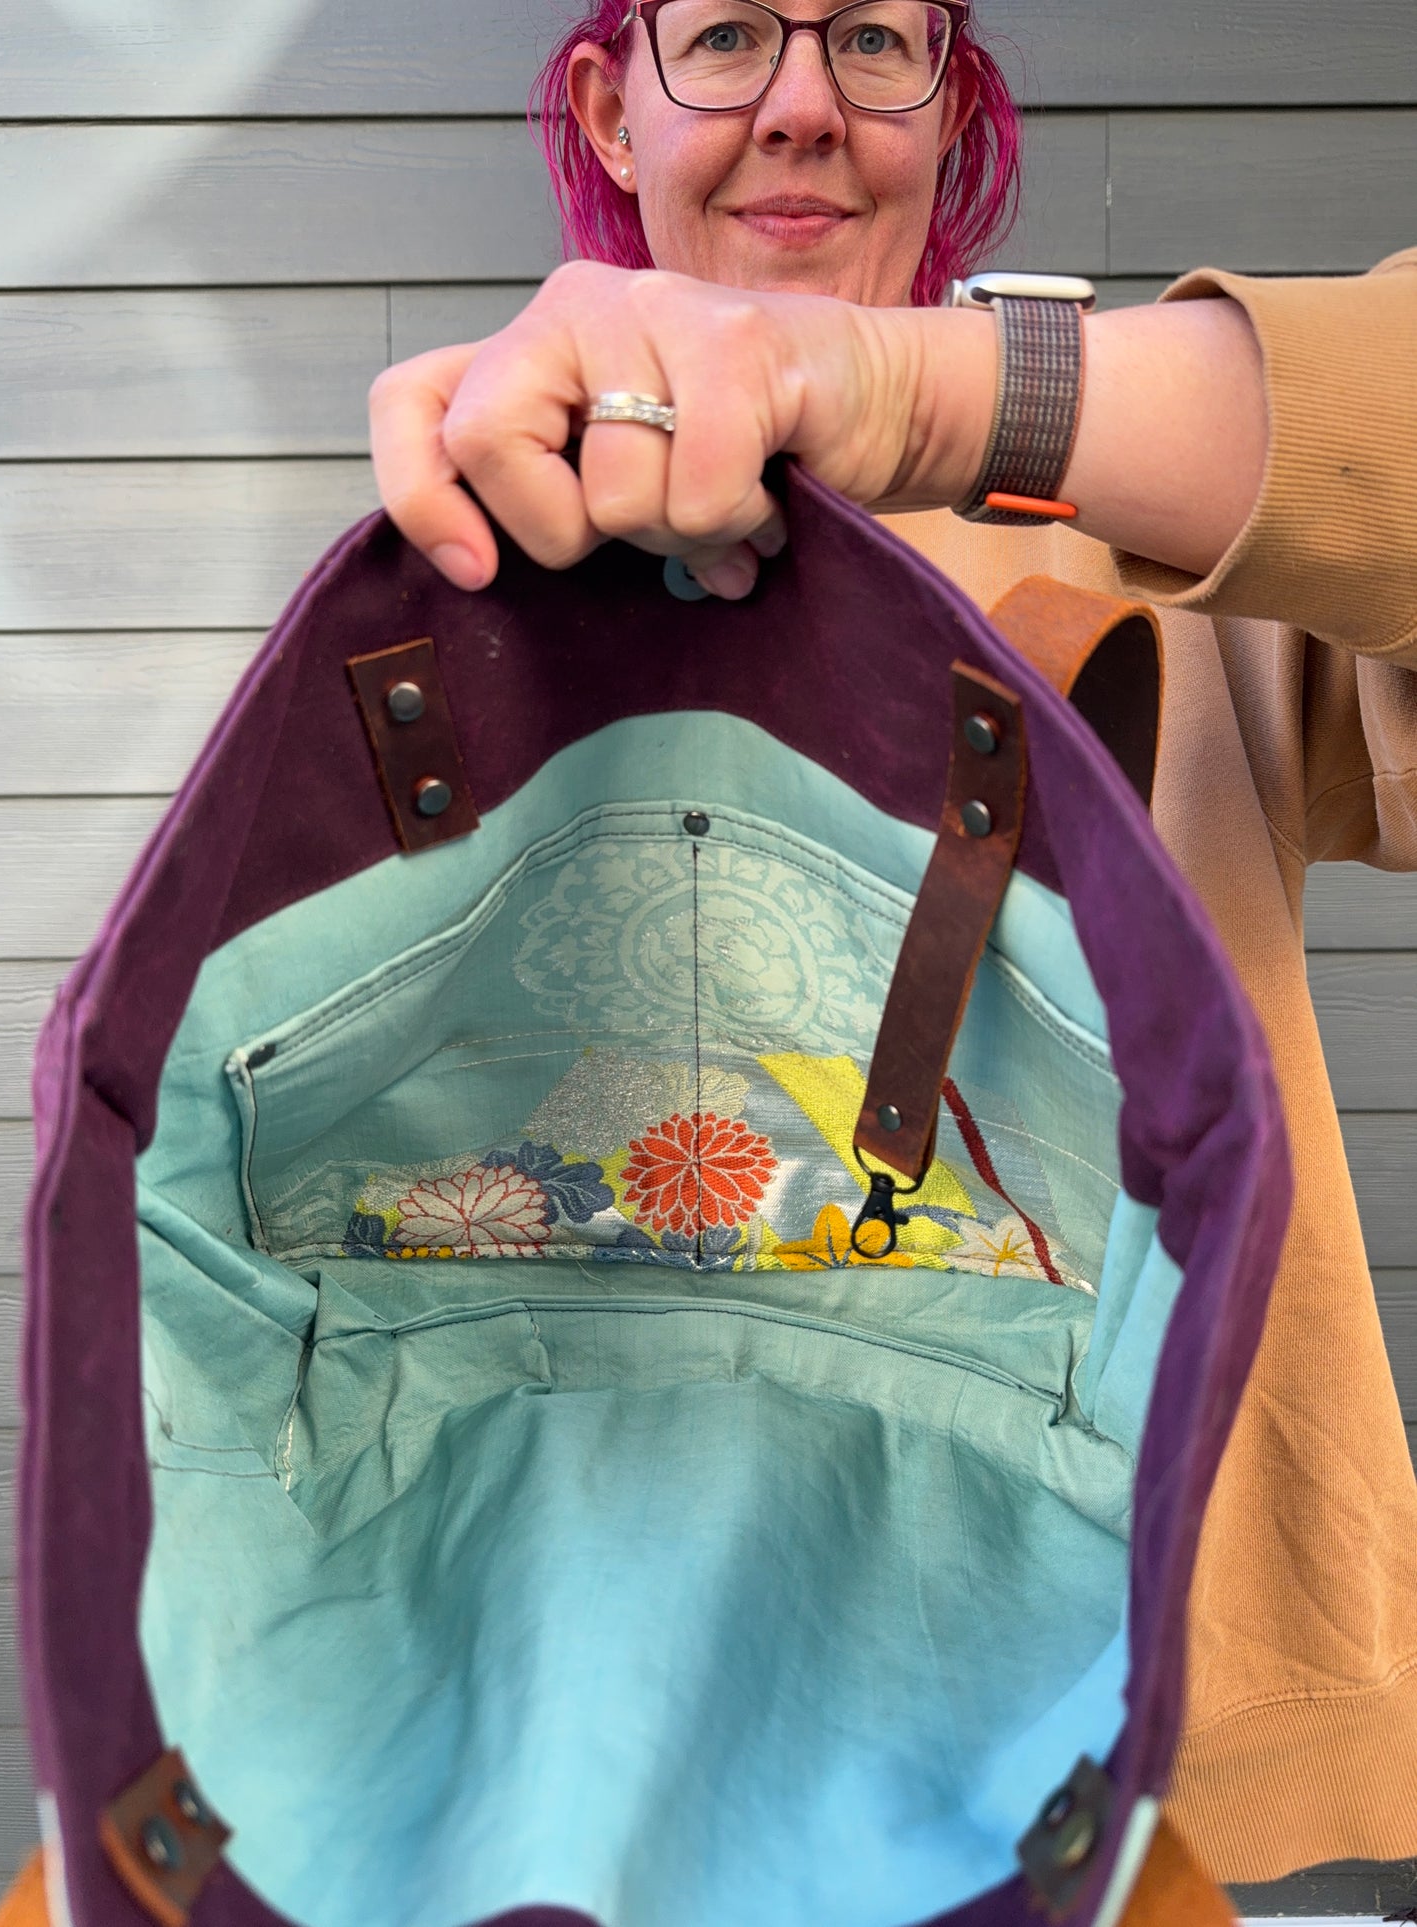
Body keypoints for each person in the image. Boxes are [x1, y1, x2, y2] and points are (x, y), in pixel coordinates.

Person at [368, 0, 1417, 1884]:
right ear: (611, 110)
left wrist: (955, 397)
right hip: (633, 1756)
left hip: (1117, 1737)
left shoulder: (1148, 531)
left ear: (948, 113)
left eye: (868, 40)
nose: (799, 108)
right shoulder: (455, 587)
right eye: (730, 40)